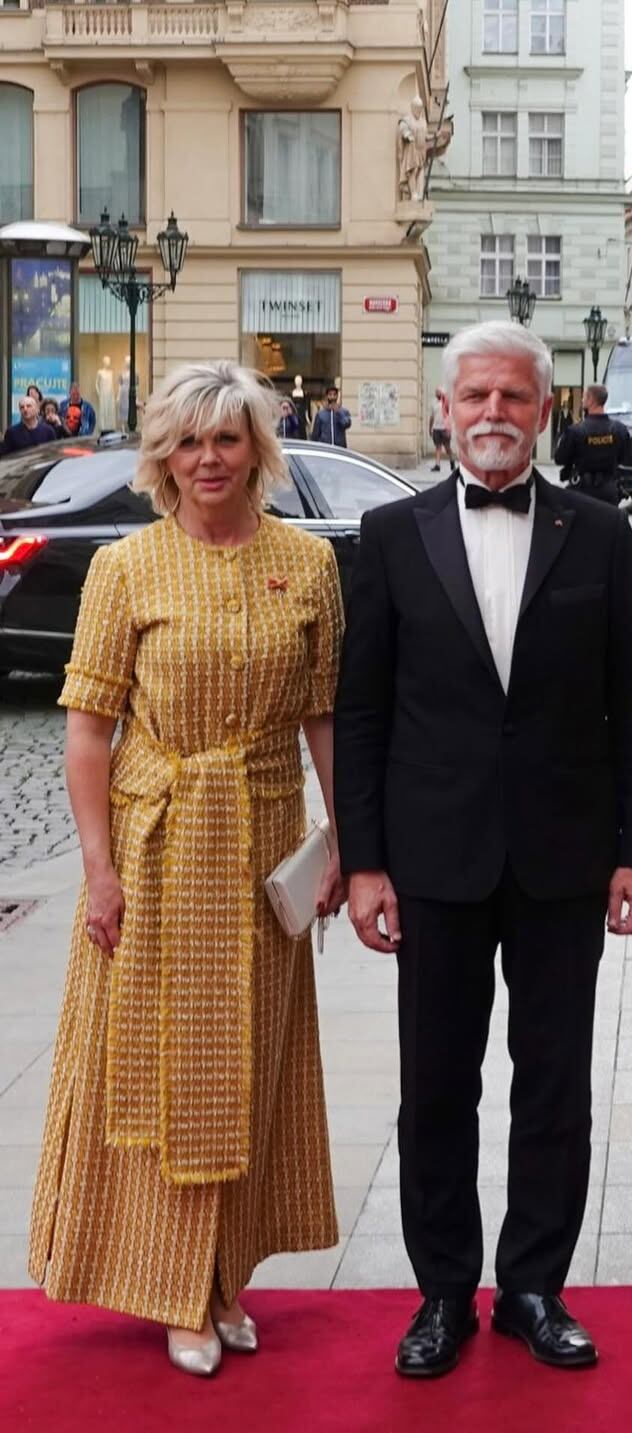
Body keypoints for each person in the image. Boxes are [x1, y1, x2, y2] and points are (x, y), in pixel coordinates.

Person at [335, 319, 632, 1379]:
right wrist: (364, 861)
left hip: (566, 854)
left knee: (554, 1078)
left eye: (514, 397)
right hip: (432, 856)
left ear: (545, 409)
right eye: (474, 396)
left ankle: (532, 1283)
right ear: (445, 409)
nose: (493, 414)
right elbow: (363, 712)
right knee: (436, 1083)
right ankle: (442, 1290)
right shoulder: (390, 535)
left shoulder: (599, 533)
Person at [28, 360, 347, 1378]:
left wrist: (344, 842)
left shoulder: (308, 562)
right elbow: (86, 732)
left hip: (260, 841)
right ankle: (170, 1285)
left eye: (226, 437)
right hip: (157, 843)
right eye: (187, 440)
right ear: (163, 455)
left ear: (258, 447)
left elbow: (325, 717)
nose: (208, 457)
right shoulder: (126, 567)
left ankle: (221, 1275)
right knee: (159, 1072)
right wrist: (99, 867)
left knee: (247, 1065)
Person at [553, 384, 629, 506]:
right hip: (609, 491)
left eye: (584, 397)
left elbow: (559, 458)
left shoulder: (575, 431)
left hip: (582, 492)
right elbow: (623, 457)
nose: (582, 400)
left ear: (591, 400)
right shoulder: (619, 430)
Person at [428, 387, 451, 471]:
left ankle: (451, 461)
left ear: (442, 393)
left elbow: (450, 416)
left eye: (438, 392)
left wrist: (449, 428)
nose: (437, 393)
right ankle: (437, 465)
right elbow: (431, 417)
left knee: (447, 447)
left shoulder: (446, 403)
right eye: (436, 392)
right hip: (436, 428)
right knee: (438, 447)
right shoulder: (433, 403)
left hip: (445, 428)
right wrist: (430, 428)